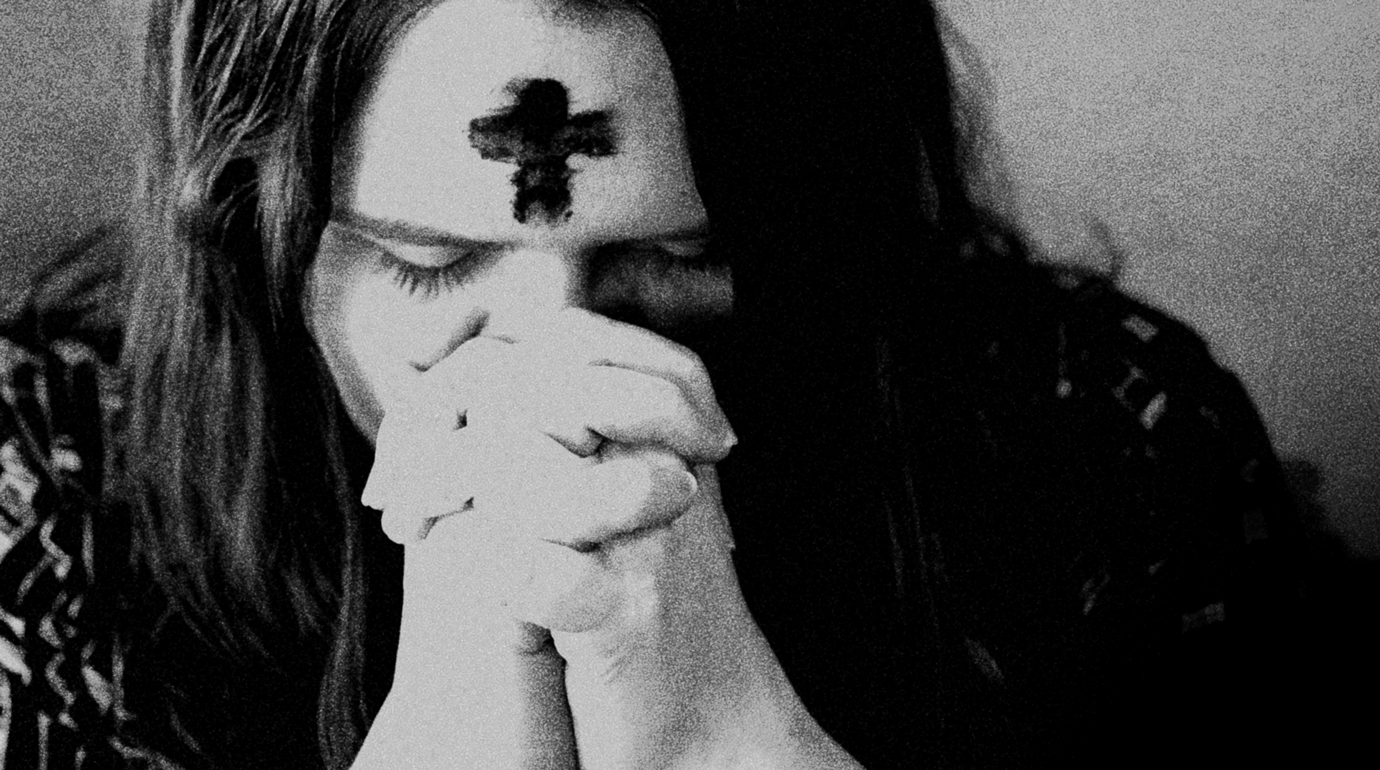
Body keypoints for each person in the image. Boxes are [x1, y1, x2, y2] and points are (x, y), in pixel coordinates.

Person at [0, 0, 1308, 767]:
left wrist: (726, 737)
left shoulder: (1099, 437)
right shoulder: (39, 501)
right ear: (251, 237)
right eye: (427, 261)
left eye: (676, 261)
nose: (554, 358)